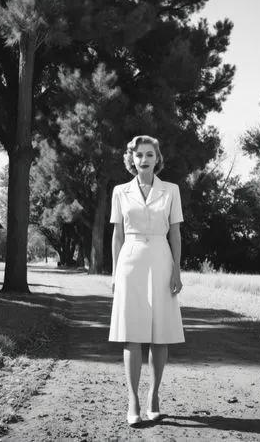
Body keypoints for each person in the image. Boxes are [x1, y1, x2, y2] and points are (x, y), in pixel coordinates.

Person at [109, 135, 185, 426]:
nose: (144, 159)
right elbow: (116, 236)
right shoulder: (120, 191)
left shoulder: (171, 191)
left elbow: (175, 233)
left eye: (149, 154)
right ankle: (133, 400)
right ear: (132, 159)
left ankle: (153, 396)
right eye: (139, 155)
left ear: (157, 158)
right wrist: (115, 273)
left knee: (159, 333)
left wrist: (177, 270)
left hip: (161, 258)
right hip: (130, 260)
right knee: (132, 333)